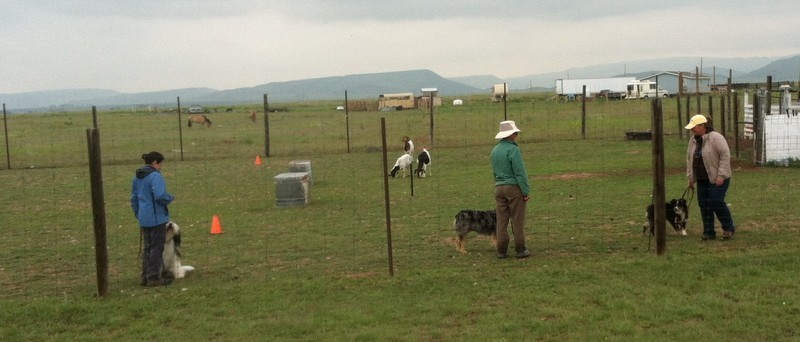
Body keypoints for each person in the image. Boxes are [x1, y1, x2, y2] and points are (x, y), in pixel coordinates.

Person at [685, 115, 736, 241]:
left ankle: (728, 228)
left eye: (694, 127)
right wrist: (691, 178)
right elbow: (689, 159)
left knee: (716, 201)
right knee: (704, 204)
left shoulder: (716, 138)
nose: (692, 130)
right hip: (702, 179)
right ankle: (708, 232)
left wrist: (721, 175)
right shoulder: (693, 140)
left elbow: (725, 156)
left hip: (718, 177)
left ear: (702, 126)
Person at [131, 151, 175, 286]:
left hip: (144, 217)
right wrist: (170, 198)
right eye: (160, 164)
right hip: (156, 218)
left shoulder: (137, 177)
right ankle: (153, 277)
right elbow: (160, 195)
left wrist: (138, 214)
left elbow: (134, 198)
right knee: (157, 247)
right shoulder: (155, 176)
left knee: (147, 248)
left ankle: (145, 276)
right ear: (155, 163)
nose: (161, 167)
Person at [490, 121, 531, 259]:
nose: (517, 135)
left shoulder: (495, 150)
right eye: (515, 133)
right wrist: (525, 191)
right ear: (510, 134)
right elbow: (519, 172)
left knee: (501, 221)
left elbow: (495, 171)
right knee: (517, 220)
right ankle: (520, 249)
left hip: (499, 187)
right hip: (513, 188)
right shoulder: (513, 150)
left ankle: (501, 250)